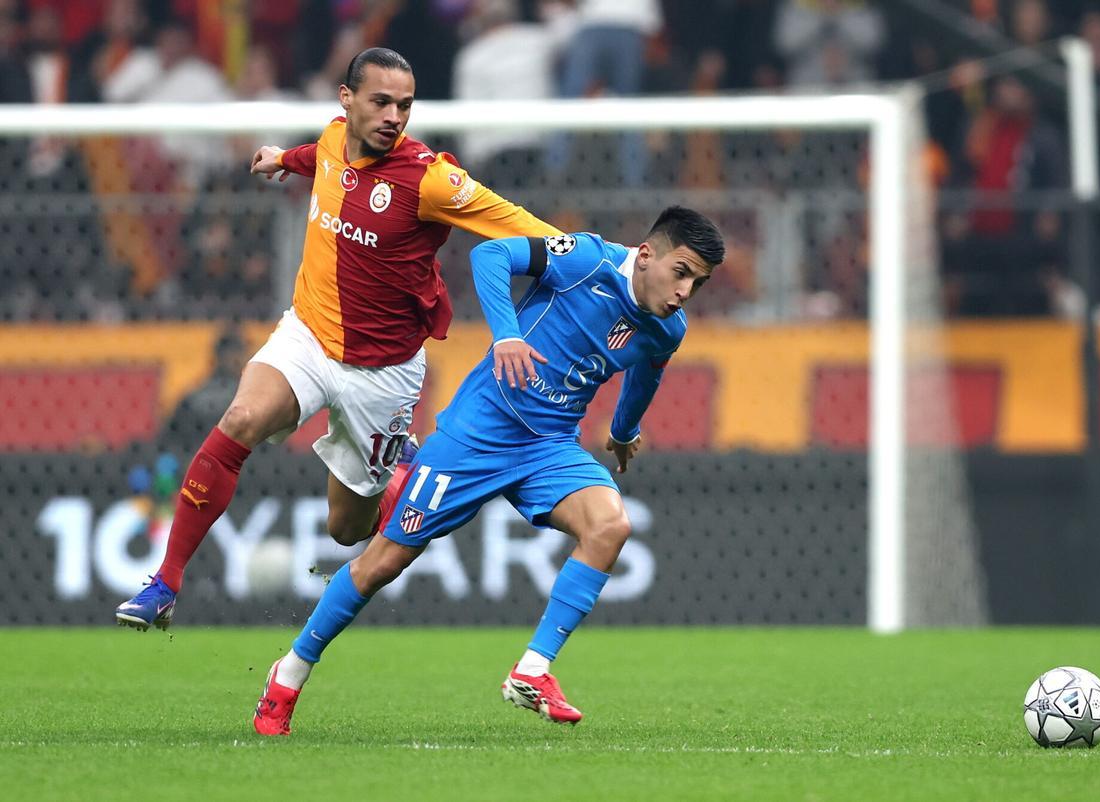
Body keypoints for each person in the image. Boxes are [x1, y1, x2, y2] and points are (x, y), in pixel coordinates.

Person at [115, 47, 560, 632]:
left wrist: (601, 261)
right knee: (241, 418)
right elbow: (320, 157)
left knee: (345, 529)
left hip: (382, 373)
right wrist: (282, 159)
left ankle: (399, 471)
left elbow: (516, 222)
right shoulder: (329, 139)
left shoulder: (430, 179)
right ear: (346, 101)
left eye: (404, 105)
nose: (393, 117)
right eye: (380, 102)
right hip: (307, 333)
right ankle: (165, 583)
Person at [251, 207, 724, 735]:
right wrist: (506, 334)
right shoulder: (587, 260)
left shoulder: (667, 329)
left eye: (697, 283)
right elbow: (491, 253)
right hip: (479, 433)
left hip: (550, 446)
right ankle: (288, 674)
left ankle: (532, 670)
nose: (685, 291)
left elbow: (645, 374)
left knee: (610, 525)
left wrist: (622, 429)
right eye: (681, 272)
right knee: (382, 563)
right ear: (646, 255)